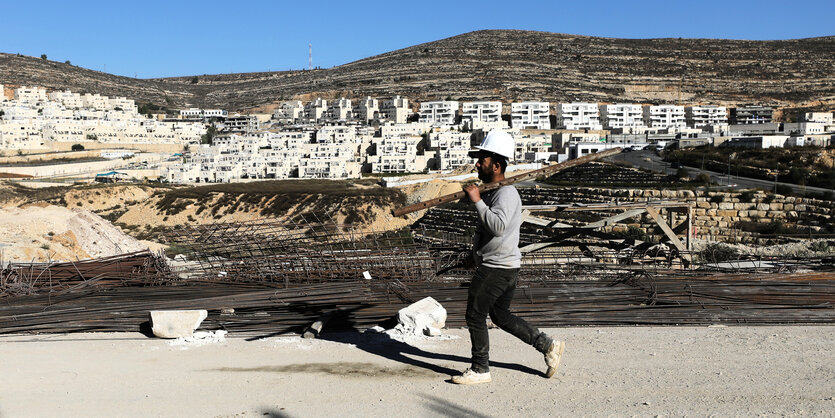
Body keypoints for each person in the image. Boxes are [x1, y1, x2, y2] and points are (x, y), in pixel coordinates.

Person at [452, 130, 565, 385]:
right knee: (500, 316)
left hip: (497, 268)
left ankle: (480, 369)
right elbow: (489, 234)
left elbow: (499, 227)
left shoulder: (506, 193)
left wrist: (478, 202)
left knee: (474, 314)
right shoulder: (494, 192)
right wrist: (475, 255)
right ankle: (547, 346)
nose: (478, 164)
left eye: (483, 159)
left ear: (497, 165)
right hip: (501, 265)